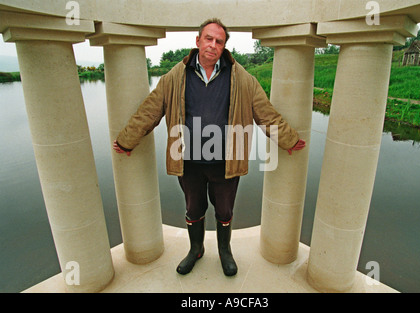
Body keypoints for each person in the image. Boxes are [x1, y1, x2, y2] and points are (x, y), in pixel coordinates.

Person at [113, 18, 306, 277]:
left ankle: (225, 251)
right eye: (208, 38)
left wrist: (289, 140)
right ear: (198, 41)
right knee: (194, 209)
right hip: (188, 162)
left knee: (224, 210)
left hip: (226, 163)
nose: (213, 45)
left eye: (219, 41)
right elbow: (150, 110)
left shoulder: (242, 78)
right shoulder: (175, 76)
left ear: (224, 46)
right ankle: (196, 250)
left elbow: (266, 114)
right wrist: (127, 140)